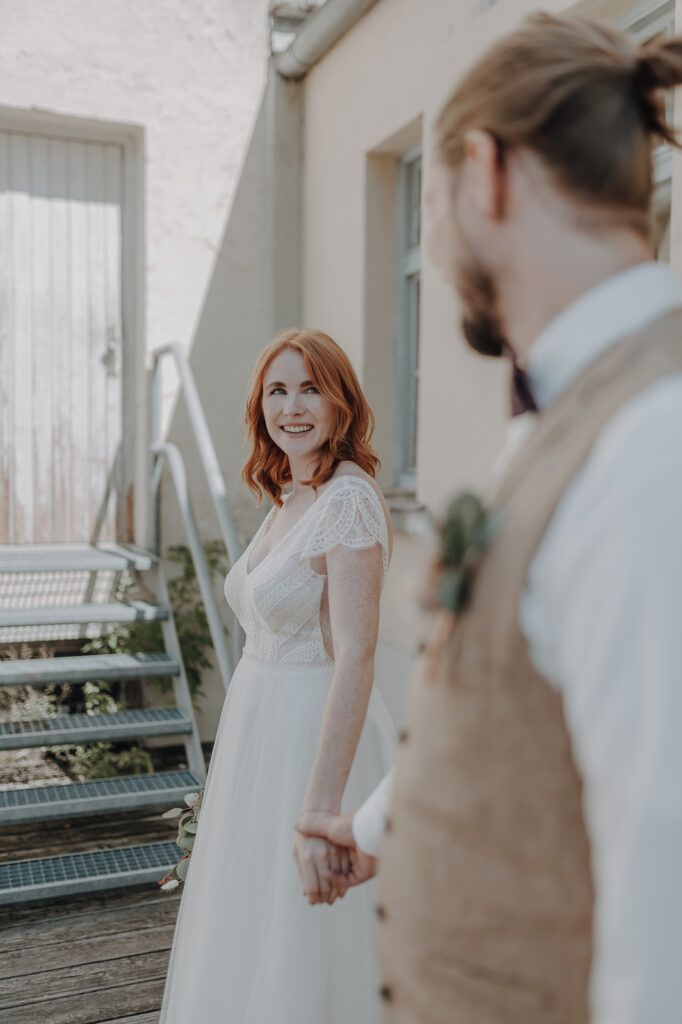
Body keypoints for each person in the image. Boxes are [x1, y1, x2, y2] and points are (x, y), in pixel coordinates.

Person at [298, 13, 682, 1023]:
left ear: (483, 173)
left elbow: (666, 887)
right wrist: (380, 824)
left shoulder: (652, 443)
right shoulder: (576, 413)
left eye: (426, 202)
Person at [159, 328, 396, 1023]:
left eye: (310, 388)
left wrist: (320, 810)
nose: (292, 406)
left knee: (305, 940)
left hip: (309, 742)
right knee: (252, 923)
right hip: (257, 733)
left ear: (340, 403)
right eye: (277, 390)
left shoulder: (348, 500)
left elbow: (356, 654)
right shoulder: (293, 490)